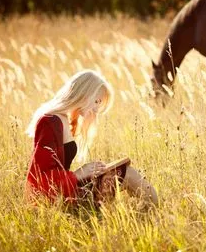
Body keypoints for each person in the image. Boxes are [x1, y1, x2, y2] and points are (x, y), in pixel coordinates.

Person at [25, 69, 158, 207]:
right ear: (84, 93)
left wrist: (88, 173)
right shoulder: (50, 121)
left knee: (124, 171)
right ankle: (156, 213)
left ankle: (148, 214)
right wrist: (78, 174)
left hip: (67, 192)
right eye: (96, 101)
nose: (97, 109)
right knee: (128, 174)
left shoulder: (67, 119)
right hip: (59, 200)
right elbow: (40, 178)